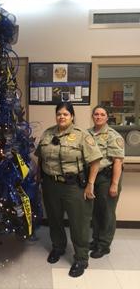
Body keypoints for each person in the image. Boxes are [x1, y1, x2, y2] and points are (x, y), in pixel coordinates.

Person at [35, 102, 102, 277]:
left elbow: (95, 161)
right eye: (59, 114)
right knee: (55, 219)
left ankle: (81, 258)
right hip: (50, 185)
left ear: (72, 116)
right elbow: (40, 157)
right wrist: (39, 178)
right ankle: (58, 247)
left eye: (65, 114)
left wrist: (90, 184)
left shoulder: (82, 135)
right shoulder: (47, 133)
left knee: (78, 223)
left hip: (73, 187)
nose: (61, 117)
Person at [88, 105, 124, 258]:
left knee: (107, 212)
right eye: (96, 114)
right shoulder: (87, 133)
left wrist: (114, 184)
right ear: (93, 116)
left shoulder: (113, 135)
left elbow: (117, 162)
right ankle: (96, 240)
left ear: (107, 118)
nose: (99, 117)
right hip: (93, 177)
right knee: (95, 211)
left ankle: (104, 245)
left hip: (107, 178)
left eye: (102, 114)